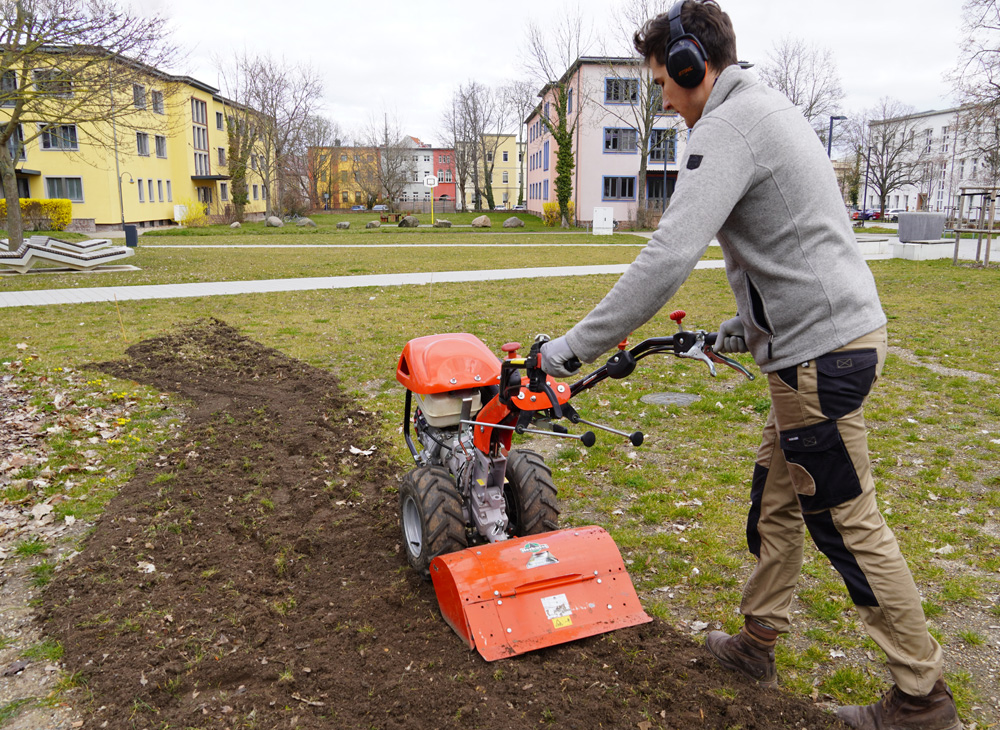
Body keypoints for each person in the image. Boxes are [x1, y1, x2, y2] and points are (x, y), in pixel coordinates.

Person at [538, 2, 962, 729]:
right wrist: (741, 330)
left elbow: (668, 256)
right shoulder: (765, 110)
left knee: (847, 521)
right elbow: (795, 245)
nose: (664, 100)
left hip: (819, 358)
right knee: (777, 496)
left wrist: (566, 350)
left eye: (664, 83)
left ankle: (921, 698)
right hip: (819, 344)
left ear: (690, 65)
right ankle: (757, 643)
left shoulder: (728, 125)